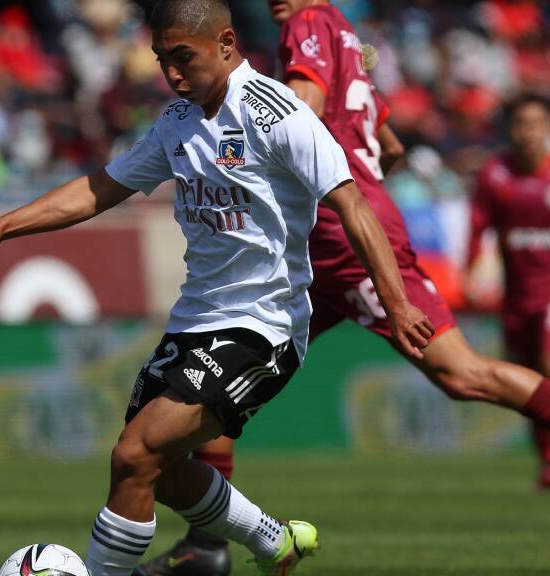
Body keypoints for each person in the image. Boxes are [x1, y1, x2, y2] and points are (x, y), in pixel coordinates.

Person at [0, 1, 435, 575]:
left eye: (183, 58)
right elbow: (101, 187)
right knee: (168, 471)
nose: (172, 74)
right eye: (161, 60)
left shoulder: (279, 115)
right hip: (194, 321)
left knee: (133, 456)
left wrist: (397, 303)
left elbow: (353, 206)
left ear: (227, 43)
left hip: (262, 326)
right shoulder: (178, 120)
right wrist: (0, 228)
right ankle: (273, 540)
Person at [135, 2, 550, 575]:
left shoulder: (307, 26)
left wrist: (244, 133)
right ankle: (207, 546)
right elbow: (392, 145)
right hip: (312, 247)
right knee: (214, 376)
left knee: (462, 373)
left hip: (341, 241)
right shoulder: (347, 38)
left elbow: (301, 108)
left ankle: (208, 546)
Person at [468, 93, 550, 489]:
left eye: (535, 123)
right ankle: (547, 461)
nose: (527, 133)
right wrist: (472, 269)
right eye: (520, 124)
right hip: (518, 297)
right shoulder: (496, 174)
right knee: (531, 381)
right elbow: (478, 225)